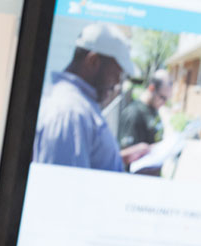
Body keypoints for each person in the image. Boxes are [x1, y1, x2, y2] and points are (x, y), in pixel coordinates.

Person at [33, 23, 139, 171]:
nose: (116, 83)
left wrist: (121, 158)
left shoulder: (78, 106)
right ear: (93, 61)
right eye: (116, 74)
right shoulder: (70, 112)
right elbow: (64, 186)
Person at [117, 69, 172, 152]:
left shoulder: (153, 108)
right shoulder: (133, 113)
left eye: (167, 99)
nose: (164, 103)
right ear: (151, 88)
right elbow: (123, 155)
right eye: (162, 98)